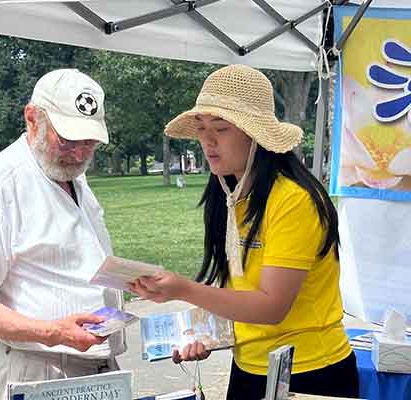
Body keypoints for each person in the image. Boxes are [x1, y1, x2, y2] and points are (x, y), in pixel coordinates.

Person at [129, 65, 359, 399]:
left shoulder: (293, 200)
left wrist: (183, 288)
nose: (207, 140)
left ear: (255, 136)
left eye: (221, 128)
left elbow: (271, 306)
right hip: (249, 367)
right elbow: (241, 289)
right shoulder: (231, 195)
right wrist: (207, 333)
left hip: (310, 371)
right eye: (202, 128)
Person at [0, 69, 125, 400]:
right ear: (32, 118)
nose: (78, 154)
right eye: (67, 140)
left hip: (98, 366)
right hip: (43, 368)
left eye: (89, 143)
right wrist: (55, 332)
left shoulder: (70, 174)